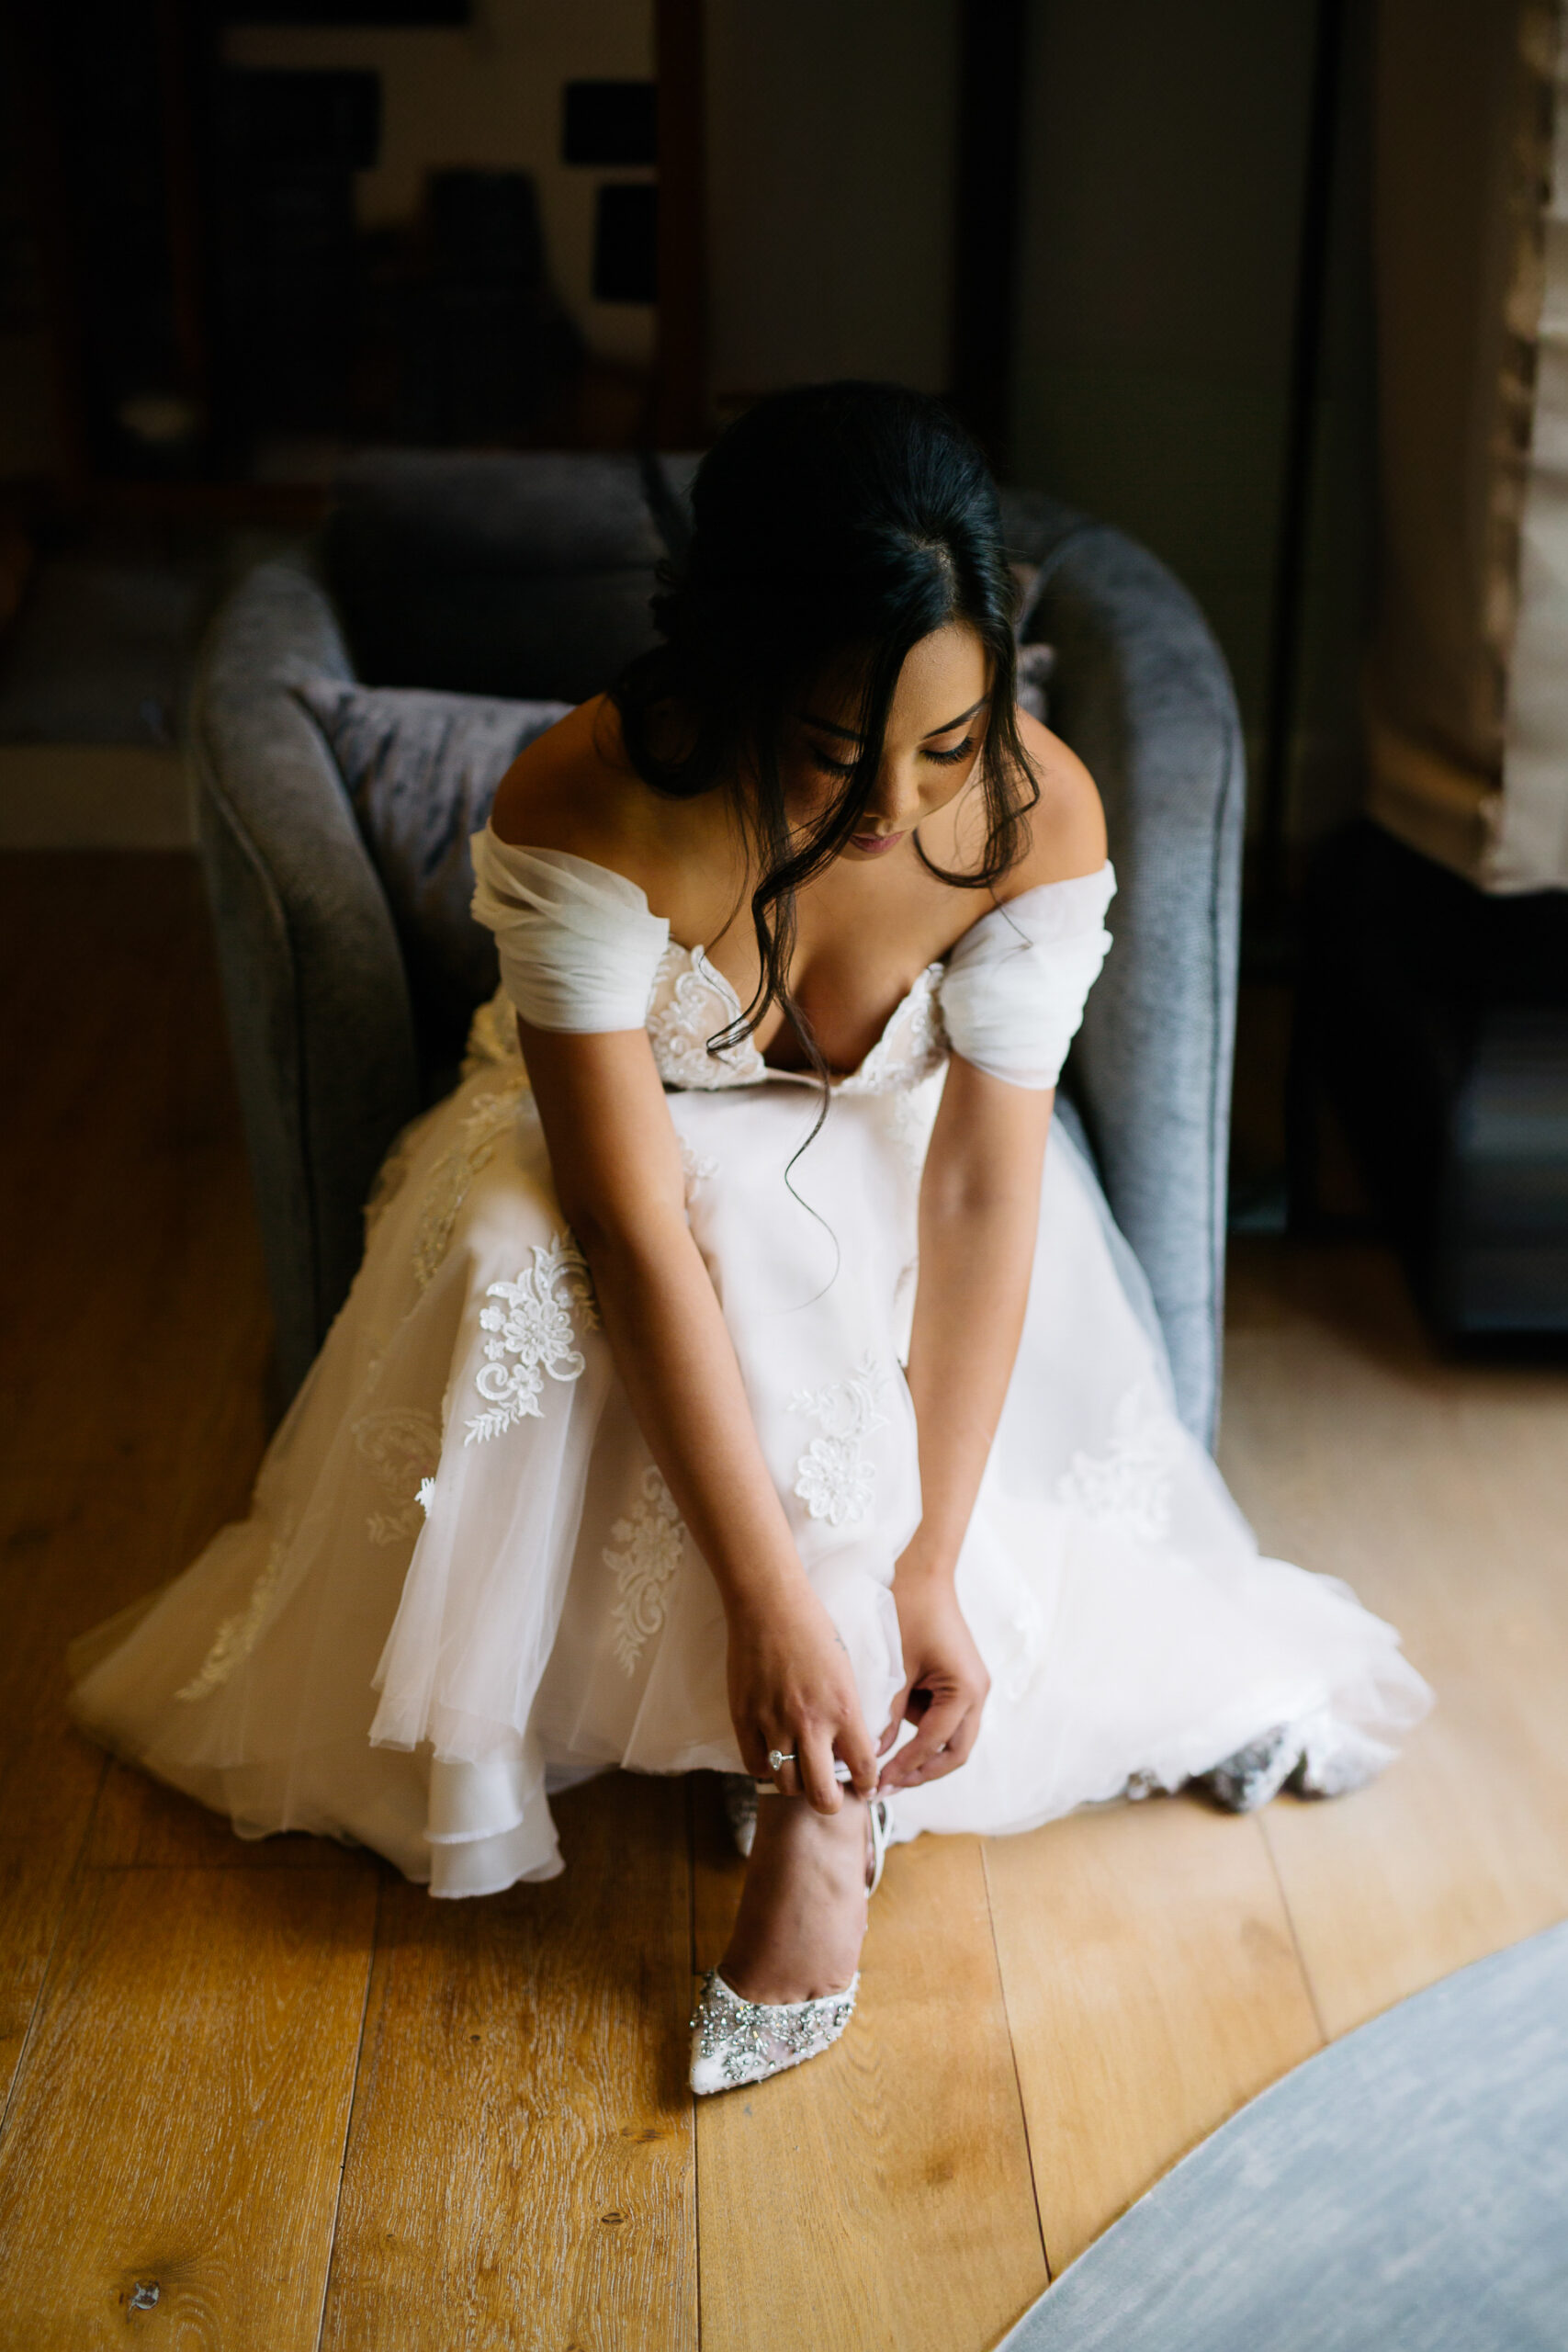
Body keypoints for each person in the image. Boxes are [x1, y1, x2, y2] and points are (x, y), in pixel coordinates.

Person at [68, 384, 1430, 2096]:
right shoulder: (589, 793)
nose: (895, 812)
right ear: (731, 676)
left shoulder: (1035, 812)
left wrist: (926, 1559)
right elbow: (625, 1220)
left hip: (898, 1166)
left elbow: (986, 1184)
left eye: (947, 745)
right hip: (595, 1157)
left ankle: (817, 1804)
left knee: (831, 1253)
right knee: (593, 1261)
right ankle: (792, 1729)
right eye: (830, 755)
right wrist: (764, 1595)